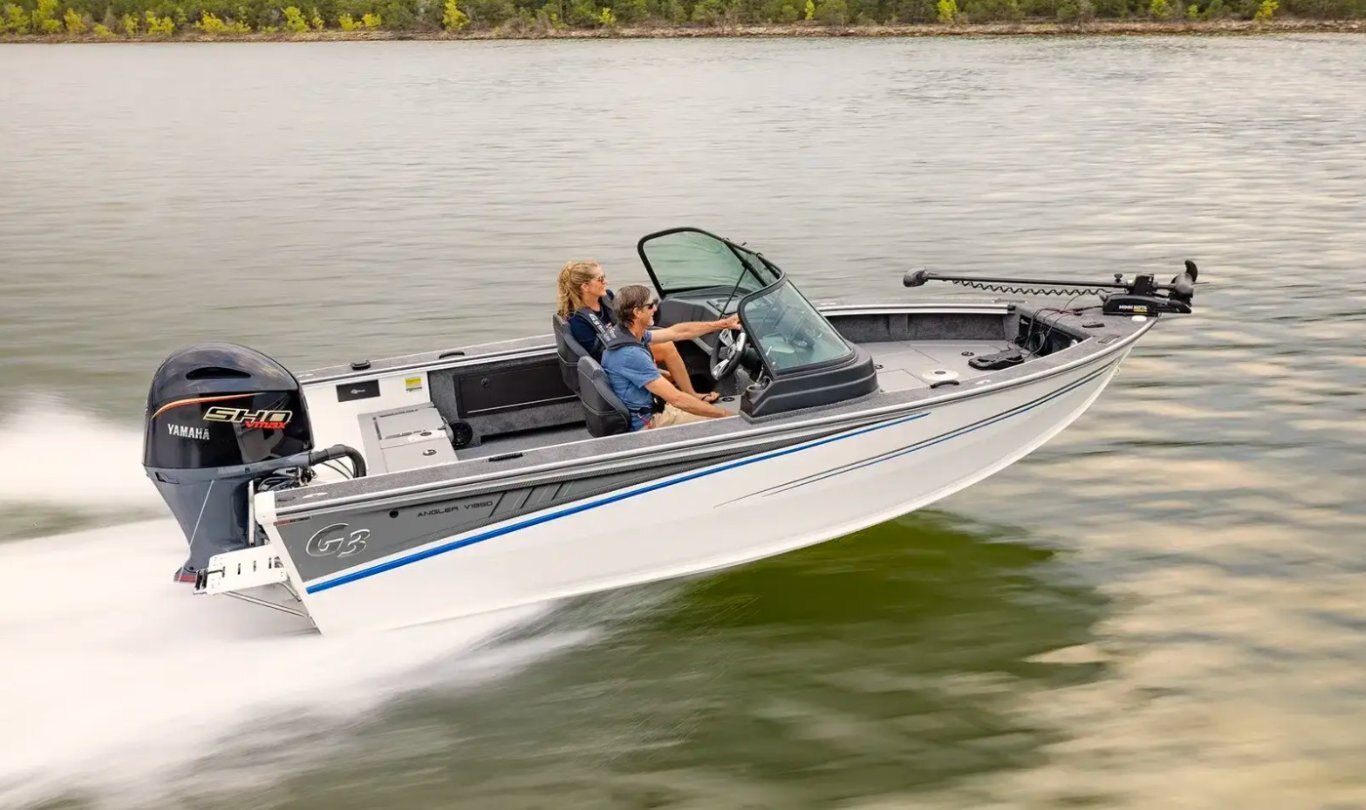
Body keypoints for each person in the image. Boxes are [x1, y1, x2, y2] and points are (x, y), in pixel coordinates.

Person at [555, 260, 707, 398]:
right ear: (585, 287)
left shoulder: (607, 297)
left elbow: (624, 321)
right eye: (600, 279)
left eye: (604, 276)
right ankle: (690, 395)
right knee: (666, 348)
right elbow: (600, 355)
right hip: (614, 357)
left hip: (627, 342)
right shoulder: (578, 320)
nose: (606, 281)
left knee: (668, 351)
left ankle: (682, 389)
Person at [601, 285, 739, 431]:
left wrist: (723, 324)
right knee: (723, 422)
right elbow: (677, 399)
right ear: (637, 312)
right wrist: (726, 416)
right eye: (650, 305)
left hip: (654, 407)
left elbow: (677, 332)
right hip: (648, 422)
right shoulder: (630, 354)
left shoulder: (628, 332)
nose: (655, 309)